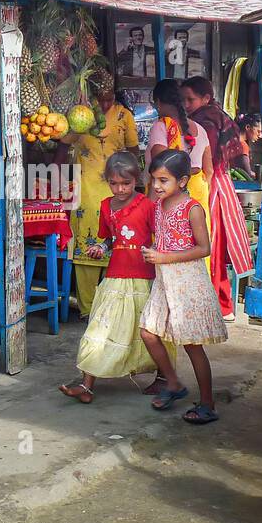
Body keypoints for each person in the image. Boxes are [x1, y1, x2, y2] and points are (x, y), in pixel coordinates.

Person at [59, 152, 159, 404]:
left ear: (137, 179)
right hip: (114, 276)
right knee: (100, 327)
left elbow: (159, 237)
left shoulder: (148, 206)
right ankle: (87, 383)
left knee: (151, 331)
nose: (120, 189)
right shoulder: (105, 205)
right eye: (114, 183)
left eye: (125, 183)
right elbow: (107, 239)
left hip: (143, 277)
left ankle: (164, 377)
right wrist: (100, 248)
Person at [139, 149, 229, 425]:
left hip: (187, 281)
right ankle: (175, 384)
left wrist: (164, 256)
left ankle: (207, 403)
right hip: (165, 280)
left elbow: (204, 249)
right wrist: (157, 251)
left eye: (163, 180)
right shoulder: (158, 206)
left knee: (192, 345)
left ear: (182, 181)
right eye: (154, 179)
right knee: (148, 332)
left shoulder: (193, 209)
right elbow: (166, 238)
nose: (156, 186)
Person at [63, 88, 140, 317]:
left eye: (110, 99)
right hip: (85, 189)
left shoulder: (123, 115)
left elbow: (134, 150)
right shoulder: (81, 115)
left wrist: (135, 180)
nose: (105, 104)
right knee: (86, 246)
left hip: (116, 187)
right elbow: (62, 143)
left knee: (117, 243)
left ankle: (112, 308)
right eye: (101, 99)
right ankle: (87, 309)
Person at [182, 75, 254, 319]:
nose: (186, 105)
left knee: (207, 245)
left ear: (206, 98)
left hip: (208, 184)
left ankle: (213, 306)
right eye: (183, 100)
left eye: (190, 99)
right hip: (221, 185)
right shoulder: (216, 116)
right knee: (216, 245)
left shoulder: (205, 122)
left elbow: (206, 161)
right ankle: (223, 305)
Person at [146, 78, 213, 242]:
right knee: (197, 242)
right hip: (198, 191)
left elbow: (163, 166)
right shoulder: (201, 129)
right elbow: (209, 171)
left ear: (158, 103)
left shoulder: (161, 127)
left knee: (170, 245)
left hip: (169, 194)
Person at [237, 112, 262, 180]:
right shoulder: (243, 146)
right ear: (247, 127)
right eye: (258, 131)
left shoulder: (233, 140)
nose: (260, 136)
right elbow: (247, 173)